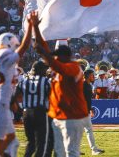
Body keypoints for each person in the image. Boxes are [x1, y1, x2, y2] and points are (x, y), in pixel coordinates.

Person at [32, 11, 88, 157]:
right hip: (59, 115)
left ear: (65, 56)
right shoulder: (60, 67)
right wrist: (35, 27)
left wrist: (45, 53)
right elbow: (41, 46)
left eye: (57, 56)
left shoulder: (74, 67)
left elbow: (54, 63)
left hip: (73, 116)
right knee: (59, 151)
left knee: (71, 151)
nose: (55, 58)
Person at [0, 13, 33, 157]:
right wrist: (31, 26)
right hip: (0, 100)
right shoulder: (4, 54)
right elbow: (24, 47)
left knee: (11, 137)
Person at [15, 60, 53, 157]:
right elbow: (52, 98)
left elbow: (13, 98)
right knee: (41, 142)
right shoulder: (45, 82)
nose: (46, 71)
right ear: (40, 70)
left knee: (31, 142)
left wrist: (19, 111)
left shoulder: (23, 81)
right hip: (40, 113)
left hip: (26, 113)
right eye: (44, 69)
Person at [82, 69, 105, 155]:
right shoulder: (83, 85)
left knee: (85, 131)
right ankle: (94, 150)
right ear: (88, 76)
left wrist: (90, 108)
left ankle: (93, 149)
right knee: (86, 130)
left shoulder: (88, 85)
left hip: (85, 111)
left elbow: (87, 99)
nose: (94, 77)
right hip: (81, 111)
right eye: (92, 75)